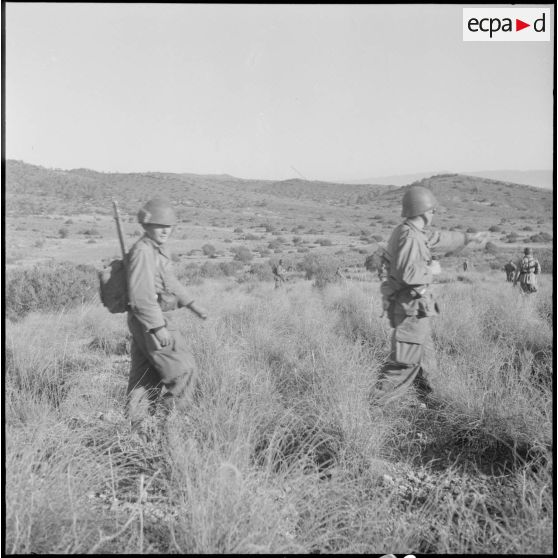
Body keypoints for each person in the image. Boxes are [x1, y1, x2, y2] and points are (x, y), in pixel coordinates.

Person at [375, 186, 486, 406]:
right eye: (433, 210)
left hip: (416, 307)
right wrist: (432, 270)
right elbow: (408, 273)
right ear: (425, 211)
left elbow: (437, 238)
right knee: (404, 362)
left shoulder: (409, 231)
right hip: (410, 308)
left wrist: (466, 238)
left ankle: (433, 397)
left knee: (426, 354)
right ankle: (375, 406)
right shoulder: (410, 237)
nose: (434, 214)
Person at [126, 197, 208, 441]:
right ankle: (170, 426)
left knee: (144, 376)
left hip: (148, 320)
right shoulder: (143, 252)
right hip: (151, 319)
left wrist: (192, 304)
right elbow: (141, 296)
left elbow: (169, 282)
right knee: (184, 369)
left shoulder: (156, 250)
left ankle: (136, 432)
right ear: (147, 225)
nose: (165, 231)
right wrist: (157, 327)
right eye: (160, 226)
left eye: (169, 226)